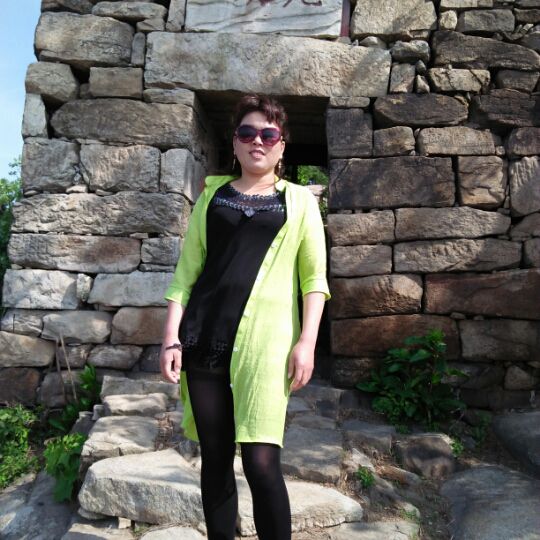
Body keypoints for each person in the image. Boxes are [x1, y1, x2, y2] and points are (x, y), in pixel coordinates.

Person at [159, 92, 331, 540]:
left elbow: (314, 281)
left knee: (261, 462)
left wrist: (307, 342)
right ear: (234, 141)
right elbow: (186, 274)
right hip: (204, 338)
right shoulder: (212, 197)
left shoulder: (299, 203)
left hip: (266, 346)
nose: (258, 140)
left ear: (281, 145)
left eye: (269, 134)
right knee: (215, 459)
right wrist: (171, 337)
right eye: (247, 132)